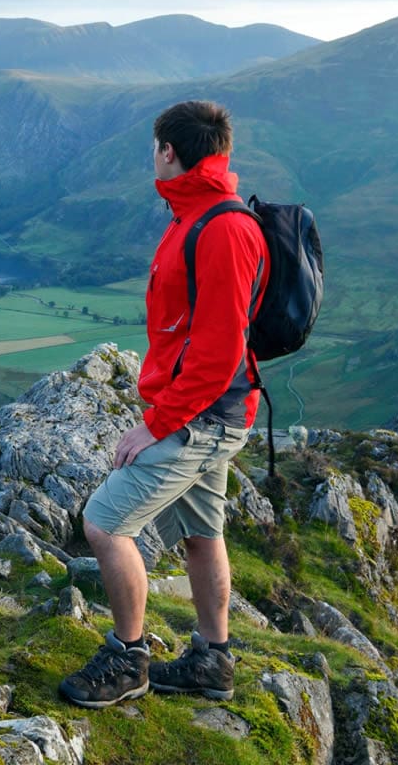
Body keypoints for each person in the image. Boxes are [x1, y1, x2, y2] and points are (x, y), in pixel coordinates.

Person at [59, 100, 269, 708]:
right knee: (202, 534)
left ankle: (128, 660)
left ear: (169, 150)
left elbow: (219, 349)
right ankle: (212, 661)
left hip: (200, 415)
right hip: (210, 413)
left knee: (104, 523)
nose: (153, 158)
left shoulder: (223, 228)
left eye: (155, 148)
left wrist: (156, 424)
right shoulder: (195, 216)